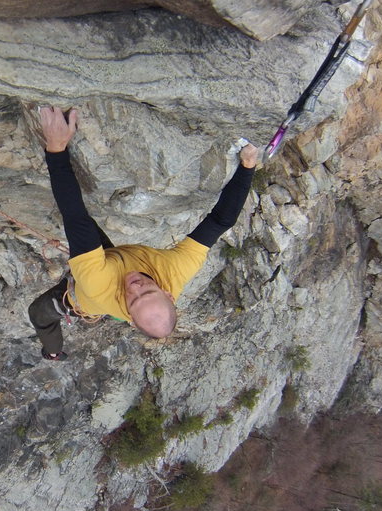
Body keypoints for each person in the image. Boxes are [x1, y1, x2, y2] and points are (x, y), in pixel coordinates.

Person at [28, 106, 258, 360]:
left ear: (130, 319)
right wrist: (247, 167)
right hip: (112, 262)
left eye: (134, 300)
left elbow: (75, 217)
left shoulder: (97, 285)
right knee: (86, 230)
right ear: (168, 293)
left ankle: (52, 351)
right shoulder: (175, 269)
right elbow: (220, 221)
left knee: (38, 314)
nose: (136, 287)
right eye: (148, 290)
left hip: (86, 292)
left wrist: (56, 147)